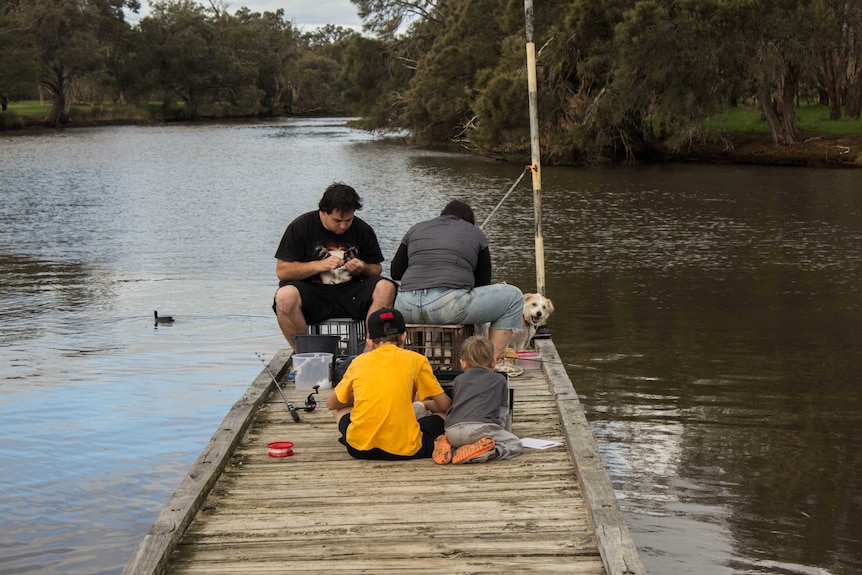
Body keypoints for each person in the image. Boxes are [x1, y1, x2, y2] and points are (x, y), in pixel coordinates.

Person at [391, 199, 524, 376]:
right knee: (514, 297)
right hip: (447, 306)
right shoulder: (475, 233)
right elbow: (483, 282)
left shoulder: (416, 228)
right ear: (468, 220)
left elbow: (395, 272)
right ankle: (490, 364)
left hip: (405, 306)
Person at [273, 182, 397, 351]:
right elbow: (282, 271)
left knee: (386, 287)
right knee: (284, 296)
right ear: (323, 212)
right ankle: (305, 356)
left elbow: (376, 270)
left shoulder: (362, 229)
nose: (343, 226)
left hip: (351, 292)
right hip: (313, 292)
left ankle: (369, 356)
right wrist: (319, 265)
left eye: (348, 220)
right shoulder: (301, 227)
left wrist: (362, 268)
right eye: (337, 221)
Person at [326, 307, 452, 460]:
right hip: (404, 449)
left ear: (370, 341)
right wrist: (426, 405)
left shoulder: (358, 362)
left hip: (359, 449)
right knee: (444, 415)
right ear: (404, 336)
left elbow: (331, 404)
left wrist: (358, 396)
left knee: (340, 409)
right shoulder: (416, 360)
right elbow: (445, 405)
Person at [432, 335, 523, 464]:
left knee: (462, 440)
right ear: (493, 362)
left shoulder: (458, 380)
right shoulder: (500, 380)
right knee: (514, 443)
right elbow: (502, 411)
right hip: (480, 429)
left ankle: (450, 446)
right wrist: (500, 431)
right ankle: (490, 451)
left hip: (451, 431)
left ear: (463, 363)